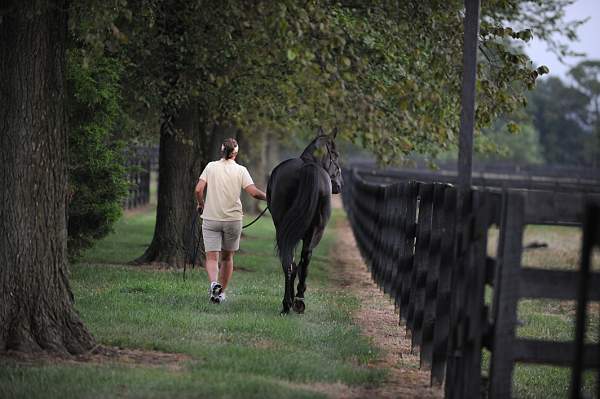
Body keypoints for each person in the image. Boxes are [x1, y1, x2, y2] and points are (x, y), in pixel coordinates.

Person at [194, 138, 267, 303]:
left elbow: (198, 189)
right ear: (236, 153)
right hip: (233, 221)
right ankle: (220, 293)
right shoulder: (241, 170)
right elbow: (254, 193)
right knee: (227, 258)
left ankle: (213, 284)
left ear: (222, 150)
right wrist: (270, 197)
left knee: (212, 258)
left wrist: (201, 204)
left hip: (211, 218)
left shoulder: (210, 167)